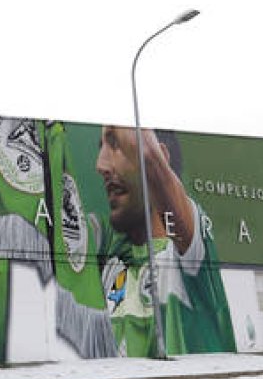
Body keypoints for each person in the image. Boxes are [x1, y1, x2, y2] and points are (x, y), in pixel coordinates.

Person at [94, 125, 235, 356]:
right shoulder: (114, 261)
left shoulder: (187, 256)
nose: (100, 165)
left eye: (115, 145)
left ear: (161, 157)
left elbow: (150, 157)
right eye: (102, 148)